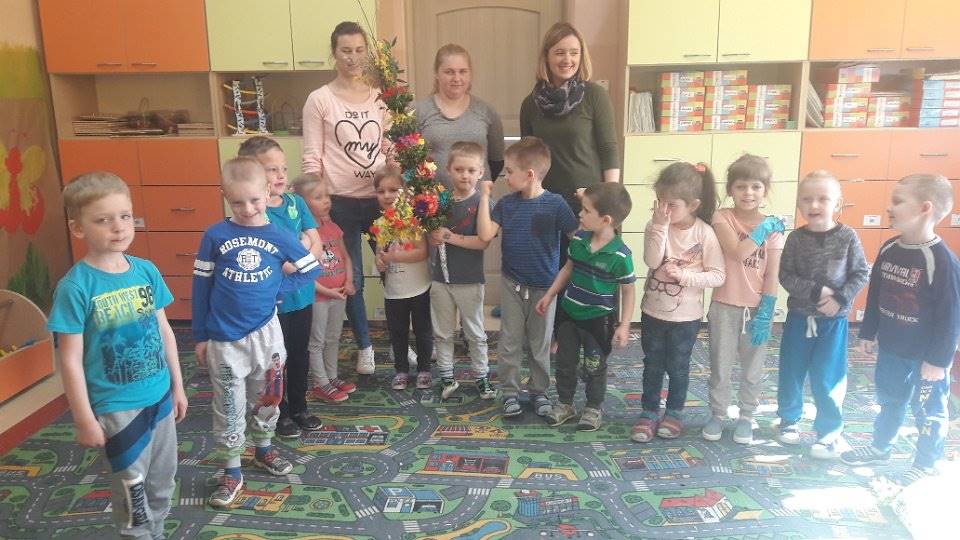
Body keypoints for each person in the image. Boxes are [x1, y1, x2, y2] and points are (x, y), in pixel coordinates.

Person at [49, 172, 188, 538]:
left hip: (159, 398)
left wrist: (177, 386)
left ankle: (157, 533)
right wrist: (83, 418)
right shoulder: (76, 287)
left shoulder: (146, 271)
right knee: (133, 493)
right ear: (78, 228)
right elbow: (69, 360)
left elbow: (165, 331)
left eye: (125, 216)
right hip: (117, 408)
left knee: (163, 480)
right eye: (103, 219)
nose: (118, 226)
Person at [192, 157, 321, 508]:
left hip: (267, 335)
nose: (247, 209)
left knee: (268, 396)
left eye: (254, 200)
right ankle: (232, 470)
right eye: (237, 202)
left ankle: (263, 449)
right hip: (224, 338)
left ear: (267, 192)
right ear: (224, 196)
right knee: (228, 404)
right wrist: (200, 335)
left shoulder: (279, 235)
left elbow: (311, 267)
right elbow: (201, 287)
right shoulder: (214, 236)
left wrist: (278, 288)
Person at [841, 174, 960, 484]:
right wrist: (868, 331)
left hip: (926, 358)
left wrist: (938, 361)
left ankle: (926, 462)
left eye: (897, 201)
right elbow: (876, 292)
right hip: (892, 348)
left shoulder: (941, 261)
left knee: (929, 411)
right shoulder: (889, 248)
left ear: (924, 208)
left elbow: (951, 317)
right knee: (890, 400)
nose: (889, 207)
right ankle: (881, 446)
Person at [302, 21, 388, 376]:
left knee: (395, 270)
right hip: (340, 204)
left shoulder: (380, 97)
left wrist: (399, 186)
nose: (353, 58)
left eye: (359, 50)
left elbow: (389, 147)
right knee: (352, 278)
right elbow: (312, 157)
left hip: (380, 202)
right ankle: (365, 347)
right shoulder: (319, 99)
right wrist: (316, 206)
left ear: (367, 53)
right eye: (345, 51)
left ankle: (401, 342)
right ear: (334, 54)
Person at [477, 136, 578, 418]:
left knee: (540, 343)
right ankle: (510, 392)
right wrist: (484, 197)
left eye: (510, 171)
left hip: (545, 288)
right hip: (512, 284)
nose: (506, 176)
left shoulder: (556, 204)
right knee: (509, 341)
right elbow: (485, 234)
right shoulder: (506, 204)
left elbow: (578, 239)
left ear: (530, 174)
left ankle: (539, 391)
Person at [777, 170, 870, 459]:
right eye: (807, 199)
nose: (814, 205)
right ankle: (789, 420)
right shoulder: (795, 238)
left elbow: (861, 272)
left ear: (837, 204)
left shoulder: (847, 236)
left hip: (833, 322)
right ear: (798, 204)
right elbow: (785, 275)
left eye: (823, 199)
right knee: (791, 371)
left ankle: (829, 431)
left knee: (829, 376)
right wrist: (816, 290)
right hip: (798, 319)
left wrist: (840, 299)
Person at [632, 162, 725, 443]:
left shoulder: (704, 233)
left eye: (671, 205)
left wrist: (685, 276)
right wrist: (660, 226)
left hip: (686, 318)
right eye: (659, 202)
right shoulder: (656, 225)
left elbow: (718, 275)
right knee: (652, 364)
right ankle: (649, 411)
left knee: (678, 366)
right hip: (652, 312)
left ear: (693, 205)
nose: (663, 210)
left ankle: (674, 412)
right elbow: (652, 261)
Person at [238, 136, 323, 438]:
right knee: (275, 361)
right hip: (273, 303)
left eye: (283, 168)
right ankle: (280, 411)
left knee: (300, 353)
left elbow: (317, 244)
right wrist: (301, 251)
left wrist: (299, 256)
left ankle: (299, 407)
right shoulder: (255, 213)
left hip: (302, 295)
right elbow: (271, 260)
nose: (281, 175)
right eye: (271, 169)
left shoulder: (296, 203)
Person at [536, 182, 636, 431]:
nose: (580, 214)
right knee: (565, 363)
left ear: (606, 220)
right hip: (569, 314)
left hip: (598, 321)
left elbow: (628, 290)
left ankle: (593, 407)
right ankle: (565, 403)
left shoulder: (621, 255)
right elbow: (567, 269)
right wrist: (549, 295)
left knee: (594, 366)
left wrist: (624, 324)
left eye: (586, 211)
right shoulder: (579, 240)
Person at [703, 155, 785, 445]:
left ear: (765, 190)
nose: (748, 193)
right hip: (724, 306)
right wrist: (762, 232)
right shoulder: (722, 217)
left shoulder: (774, 228)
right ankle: (717, 413)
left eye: (756, 186)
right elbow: (737, 253)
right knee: (720, 366)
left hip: (757, 309)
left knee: (753, 369)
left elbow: (772, 273)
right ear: (731, 189)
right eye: (741, 186)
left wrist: (768, 309)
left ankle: (747, 417)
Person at [520, 22, 619, 248]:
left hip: (589, 205)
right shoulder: (530, 104)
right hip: (544, 204)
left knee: (589, 267)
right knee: (550, 268)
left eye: (574, 53)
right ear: (546, 57)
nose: (567, 59)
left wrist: (609, 201)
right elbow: (526, 160)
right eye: (559, 52)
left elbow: (609, 149)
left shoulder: (595, 95)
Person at [427, 142, 495, 400]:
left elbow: (482, 241)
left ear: (480, 172)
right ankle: (446, 376)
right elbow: (432, 234)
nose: (465, 175)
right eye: (459, 169)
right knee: (443, 332)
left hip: (469, 279)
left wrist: (448, 237)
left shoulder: (482, 202)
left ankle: (482, 377)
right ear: (448, 170)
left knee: (475, 333)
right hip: (440, 279)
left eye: (471, 170)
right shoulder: (440, 201)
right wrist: (434, 236)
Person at [292, 174, 357, 403]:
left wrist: (349, 282)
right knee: (317, 341)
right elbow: (303, 272)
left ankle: (332, 377)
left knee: (333, 337)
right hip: (318, 297)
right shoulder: (304, 235)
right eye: (318, 197)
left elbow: (345, 257)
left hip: (339, 294)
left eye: (327, 195)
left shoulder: (333, 228)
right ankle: (320, 383)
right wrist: (326, 291)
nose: (326, 201)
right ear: (302, 203)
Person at [372, 165, 434, 390]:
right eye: (381, 191)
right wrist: (380, 262)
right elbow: (380, 254)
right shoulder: (380, 223)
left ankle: (424, 368)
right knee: (397, 333)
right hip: (394, 291)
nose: (387, 196)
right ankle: (401, 370)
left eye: (393, 190)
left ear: (405, 192)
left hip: (419, 288)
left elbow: (422, 252)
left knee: (423, 330)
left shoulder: (412, 220)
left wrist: (394, 256)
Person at [414, 44, 504, 191]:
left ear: (470, 74)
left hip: (478, 202)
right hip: (432, 202)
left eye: (462, 71)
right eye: (449, 72)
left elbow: (496, 162)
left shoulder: (487, 112)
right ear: (436, 73)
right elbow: (409, 162)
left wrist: (473, 190)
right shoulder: (419, 111)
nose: (457, 78)